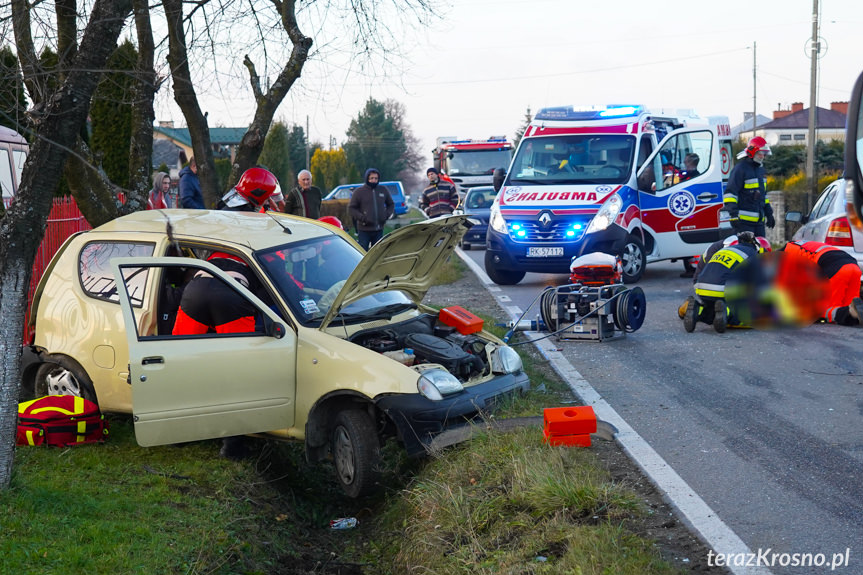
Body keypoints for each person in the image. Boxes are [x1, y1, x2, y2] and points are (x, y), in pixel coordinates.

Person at [684, 231, 768, 333]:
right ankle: (727, 312)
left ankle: (699, 311)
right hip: (722, 290)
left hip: (701, 287)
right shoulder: (753, 255)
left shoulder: (727, 249)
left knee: (714, 305)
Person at [774, 240, 863, 326]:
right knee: (852, 308)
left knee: (824, 312)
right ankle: (852, 313)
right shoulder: (796, 246)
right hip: (854, 267)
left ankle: (851, 312)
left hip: (837, 269)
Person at [723, 137, 775, 236]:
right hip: (743, 223)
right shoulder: (740, 169)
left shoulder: (761, 170)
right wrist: (733, 215)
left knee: (761, 250)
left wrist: (769, 213)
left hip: (759, 223)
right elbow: (730, 194)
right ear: (753, 153)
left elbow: (764, 196)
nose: (762, 157)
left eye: (764, 154)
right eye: (760, 153)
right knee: (746, 250)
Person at [349, 168, 394, 250]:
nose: (374, 180)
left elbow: (391, 204)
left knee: (377, 253)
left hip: (378, 228)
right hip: (364, 229)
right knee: (362, 252)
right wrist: (362, 218)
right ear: (367, 178)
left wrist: (386, 215)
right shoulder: (359, 192)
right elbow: (352, 208)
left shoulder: (383, 190)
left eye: (376, 178)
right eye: (371, 178)